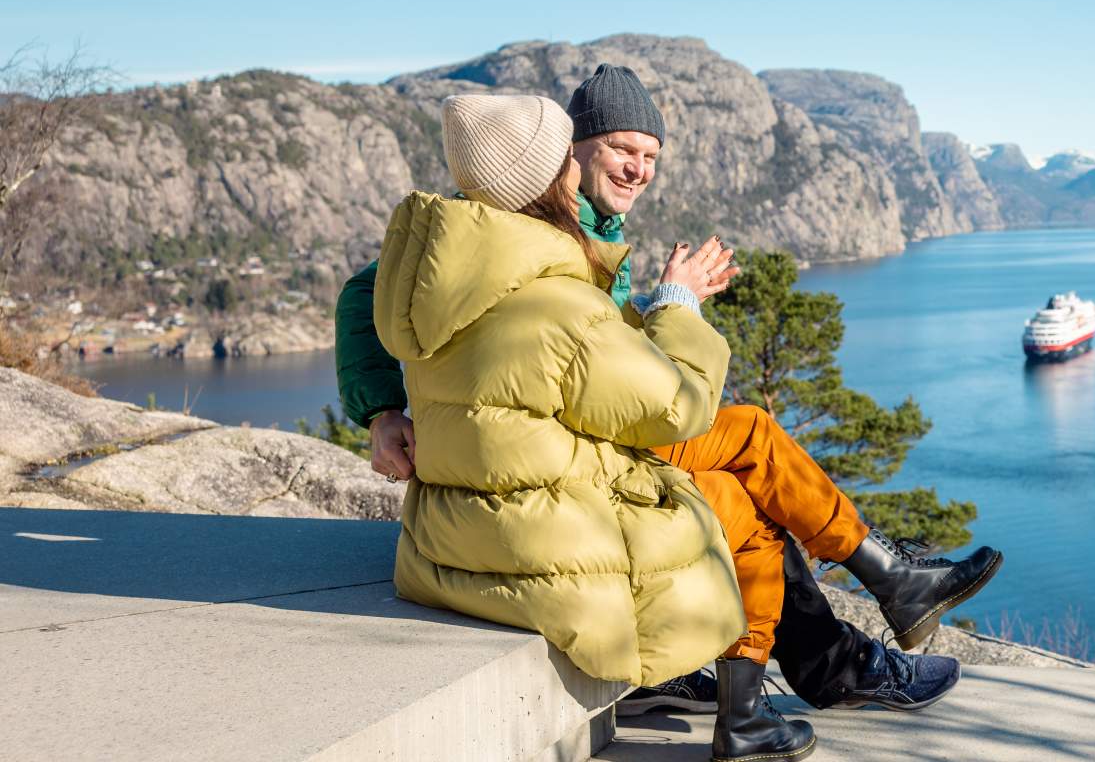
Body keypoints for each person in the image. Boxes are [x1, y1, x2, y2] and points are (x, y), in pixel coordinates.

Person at [342, 71, 1003, 745]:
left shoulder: (500, 233)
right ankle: (865, 612)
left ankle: (781, 689)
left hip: (537, 462)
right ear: (567, 157)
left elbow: (571, 360)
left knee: (737, 490)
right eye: (620, 150)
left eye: (652, 155)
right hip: (562, 469)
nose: (639, 169)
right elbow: (653, 393)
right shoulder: (513, 237)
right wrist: (676, 307)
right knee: (748, 436)